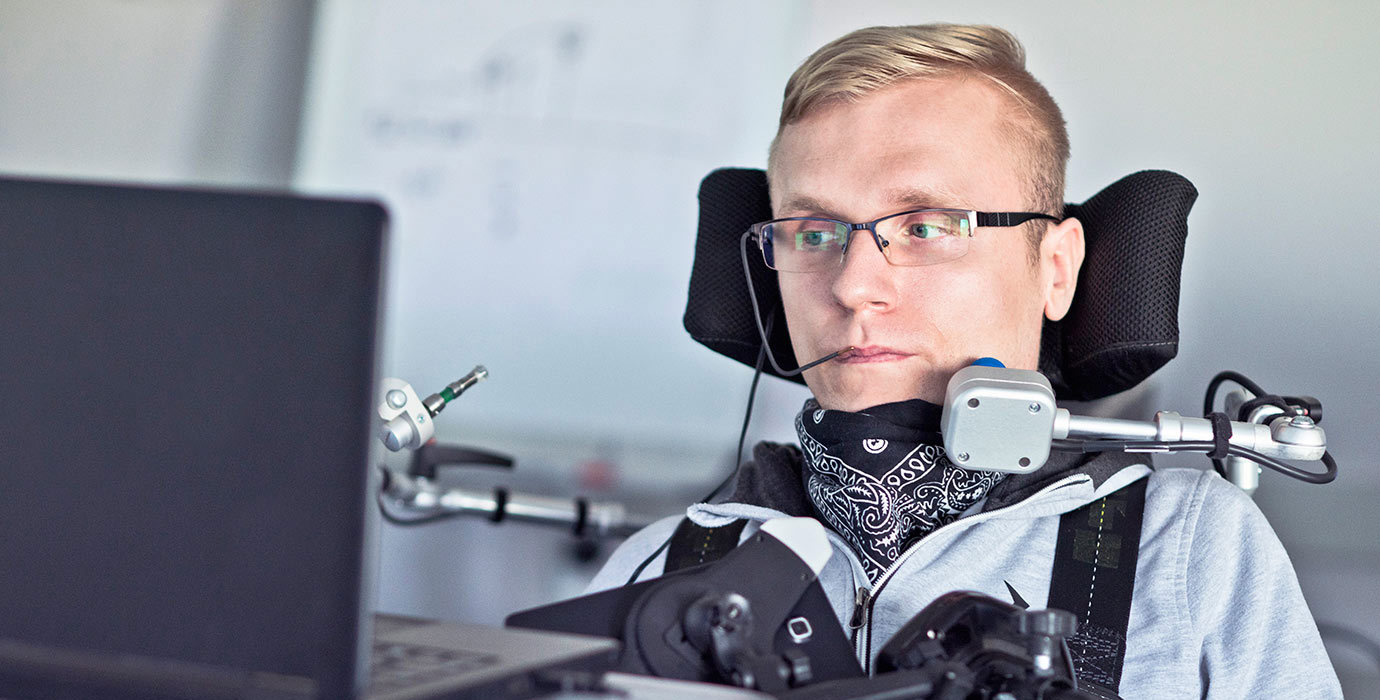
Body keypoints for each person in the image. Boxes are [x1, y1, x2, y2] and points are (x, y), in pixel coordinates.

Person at [586, 23, 1341, 698]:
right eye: (813, 233)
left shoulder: (1190, 552)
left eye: (925, 226)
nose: (852, 286)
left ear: (1055, 269)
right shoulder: (657, 570)